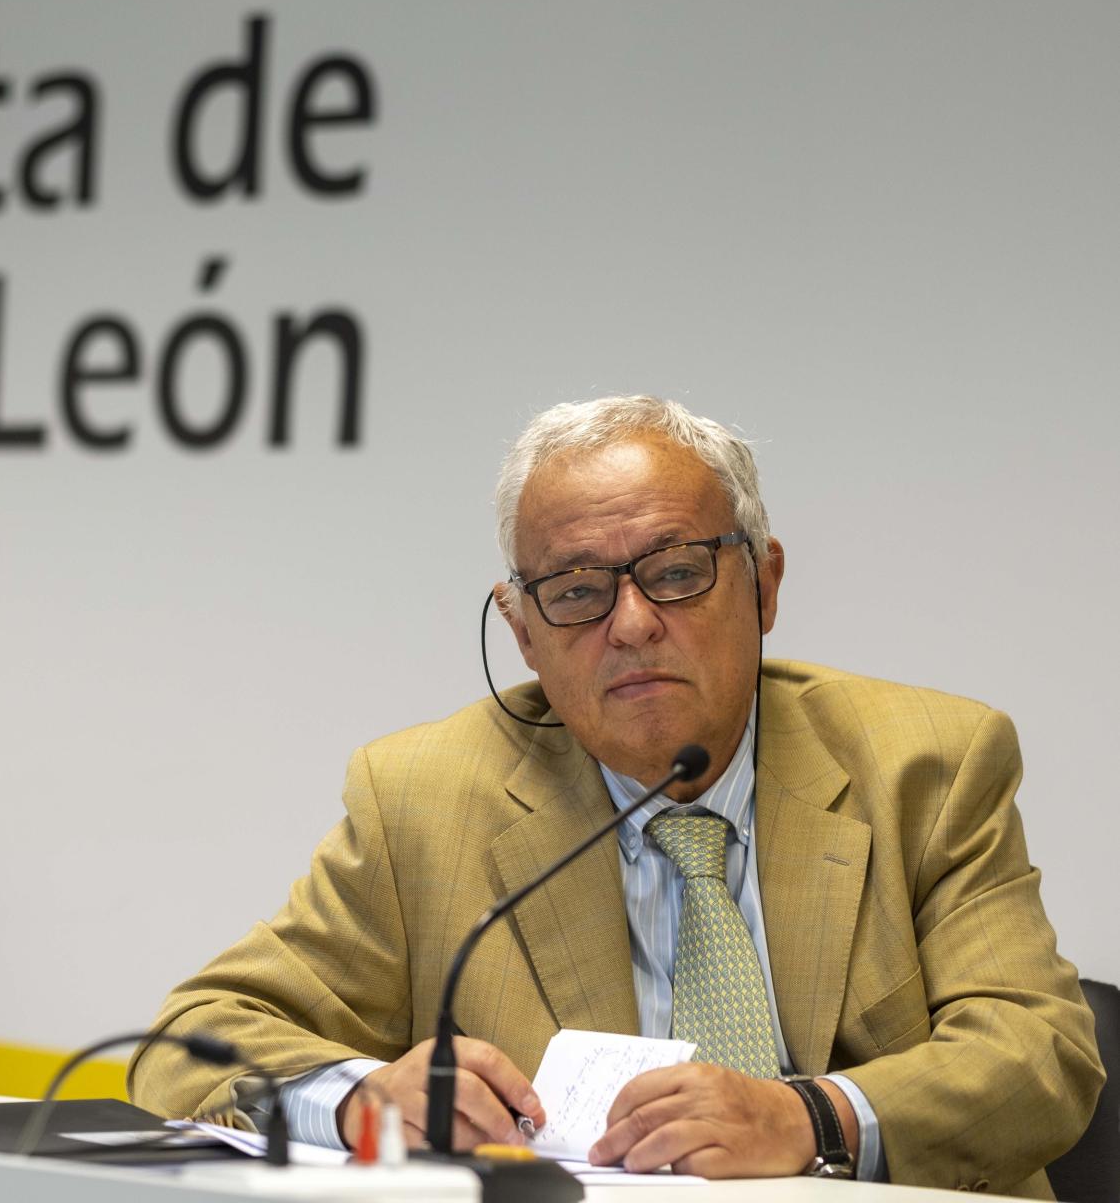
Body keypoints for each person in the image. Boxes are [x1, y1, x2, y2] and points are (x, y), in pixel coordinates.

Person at [128, 396, 1104, 1196]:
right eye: (576, 591)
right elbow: (192, 1039)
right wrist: (358, 1096)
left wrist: (807, 1114)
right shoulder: (424, 797)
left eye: (676, 573)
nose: (631, 624)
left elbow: (1037, 1056)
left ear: (762, 585)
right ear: (521, 629)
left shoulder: (923, 763)